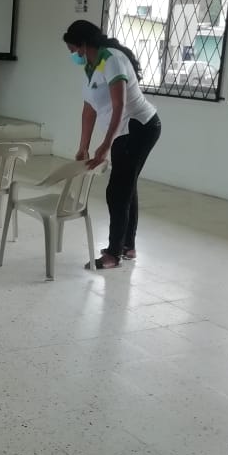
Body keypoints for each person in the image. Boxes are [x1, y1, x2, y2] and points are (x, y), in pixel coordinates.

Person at [63, 20, 162, 269]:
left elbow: (119, 105)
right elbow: (89, 108)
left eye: (73, 50)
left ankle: (113, 254)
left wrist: (105, 146)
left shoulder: (111, 59)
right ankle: (127, 245)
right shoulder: (92, 65)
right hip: (124, 131)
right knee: (126, 185)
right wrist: (83, 146)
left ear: (84, 44)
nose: (73, 55)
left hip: (138, 127)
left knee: (117, 191)